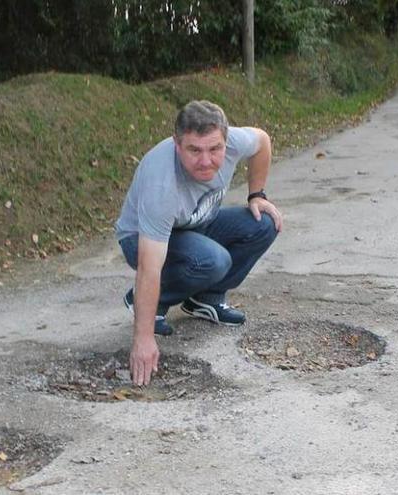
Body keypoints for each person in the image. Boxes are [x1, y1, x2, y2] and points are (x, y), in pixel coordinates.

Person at [114, 100, 283, 386]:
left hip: (196, 224)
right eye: (194, 150)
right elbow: (149, 266)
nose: (206, 161)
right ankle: (149, 302)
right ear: (177, 144)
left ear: (226, 142)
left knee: (264, 224)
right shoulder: (162, 185)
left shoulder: (235, 142)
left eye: (214, 149)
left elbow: (263, 142)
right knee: (212, 260)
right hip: (140, 240)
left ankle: (205, 300)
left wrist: (258, 194)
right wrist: (143, 338)